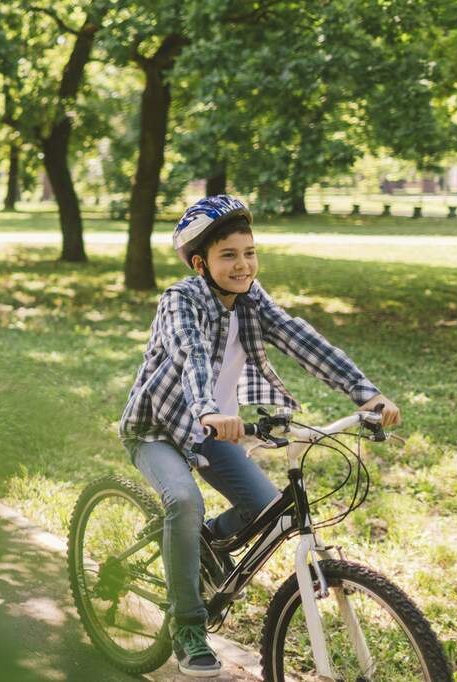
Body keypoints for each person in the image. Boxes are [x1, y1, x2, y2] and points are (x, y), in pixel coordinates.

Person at [119, 194, 402, 677]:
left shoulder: (253, 299)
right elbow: (191, 356)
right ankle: (187, 625)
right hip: (158, 428)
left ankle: (196, 547)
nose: (243, 264)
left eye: (249, 252)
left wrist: (365, 394)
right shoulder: (179, 301)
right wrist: (210, 409)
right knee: (184, 501)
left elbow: (302, 338)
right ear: (199, 262)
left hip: (211, 429)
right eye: (228, 255)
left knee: (269, 510)